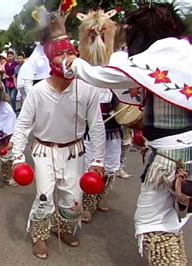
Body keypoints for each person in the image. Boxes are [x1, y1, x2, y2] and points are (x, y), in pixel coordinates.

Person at [68, 3, 191, 265]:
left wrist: (73, 64)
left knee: (153, 225)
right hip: (182, 153)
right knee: (173, 219)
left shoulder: (155, 62)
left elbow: (104, 76)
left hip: (170, 159)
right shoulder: (186, 56)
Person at [8, 6, 105, 259]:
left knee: (73, 199)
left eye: (71, 57)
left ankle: (64, 228)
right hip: (43, 152)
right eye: (63, 58)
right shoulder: (39, 91)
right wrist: (18, 158)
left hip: (74, 151)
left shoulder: (87, 89)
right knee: (43, 198)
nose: (69, 63)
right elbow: (22, 125)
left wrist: (98, 161)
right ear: (53, 62)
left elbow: (96, 125)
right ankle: (40, 236)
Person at [75, 8, 121, 223]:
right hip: (88, 128)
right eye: (92, 35)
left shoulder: (118, 65)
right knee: (89, 165)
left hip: (112, 128)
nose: (97, 39)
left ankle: (102, 195)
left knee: (112, 165)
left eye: (101, 34)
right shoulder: (80, 67)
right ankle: (88, 203)